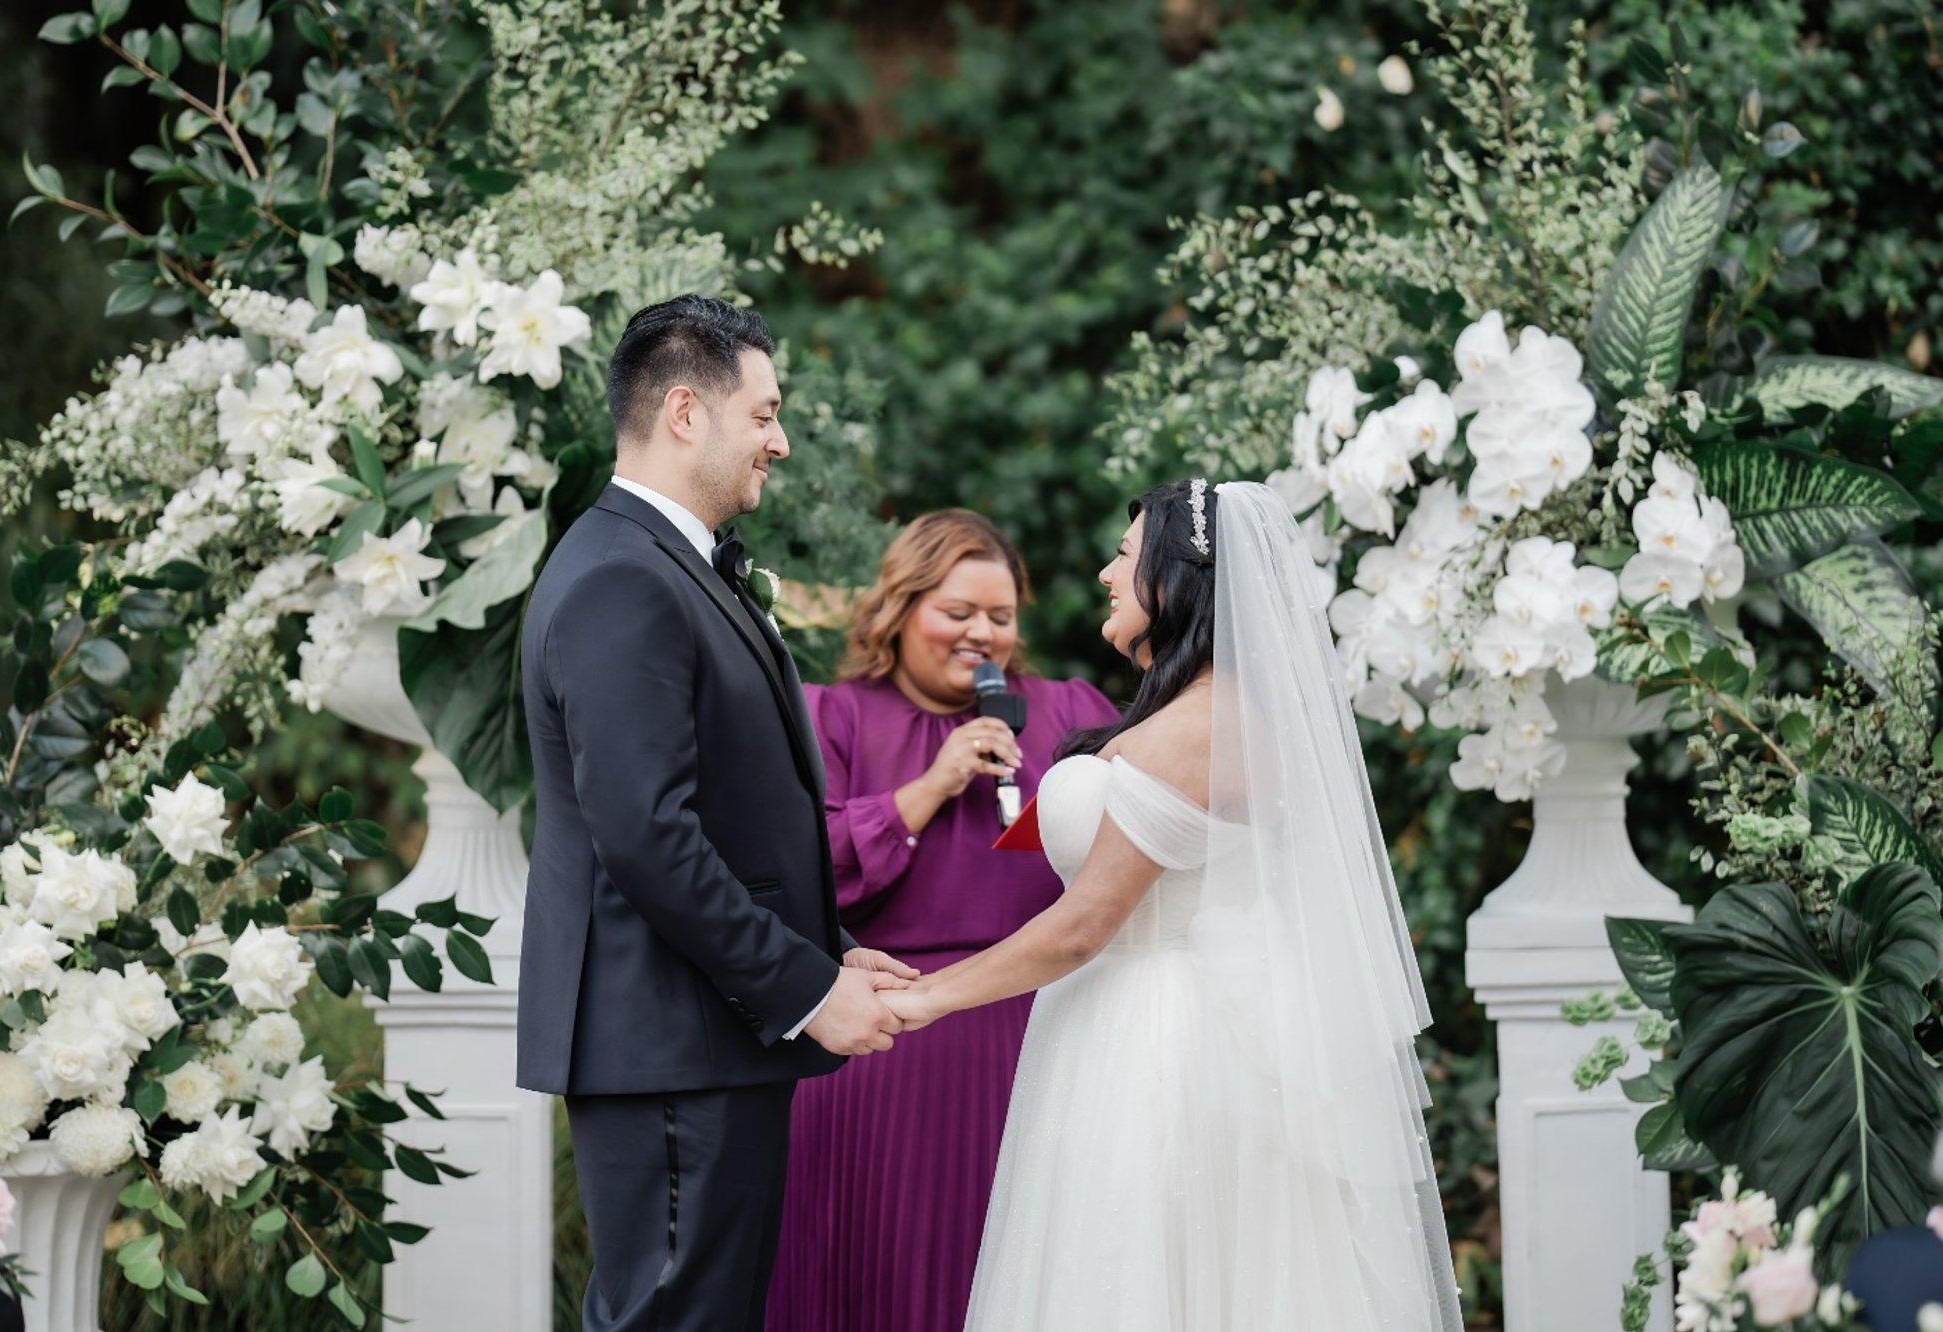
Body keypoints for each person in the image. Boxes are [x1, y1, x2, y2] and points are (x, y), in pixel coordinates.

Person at [883, 479, 1464, 1331]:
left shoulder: (1203, 725)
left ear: (1175, 581)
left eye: (1125, 558)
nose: (1106, 575)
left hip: (1158, 1044)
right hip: (1130, 1021)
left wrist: (921, 999)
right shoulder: (1194, 712)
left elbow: (1085, 926)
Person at [516, 294, 916, 1332]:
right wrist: (800, 988)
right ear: (687, 413)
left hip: (692, 1040)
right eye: (766, 413)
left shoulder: (662, 566)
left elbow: (732, 809)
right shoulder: (620, 580)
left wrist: (826, 948)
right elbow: (647, 834)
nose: (779, 442)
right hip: (668, 1045)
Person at [764, 511, 1119, 1332]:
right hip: (877, 1050)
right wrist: (929, 786)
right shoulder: (831, 717)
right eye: (957, 612)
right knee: (876, 1275)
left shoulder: (1069, 710)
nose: (981, 634)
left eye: (1000, 616)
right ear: (901, 606)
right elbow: (797, 875)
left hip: (1037, 1042)